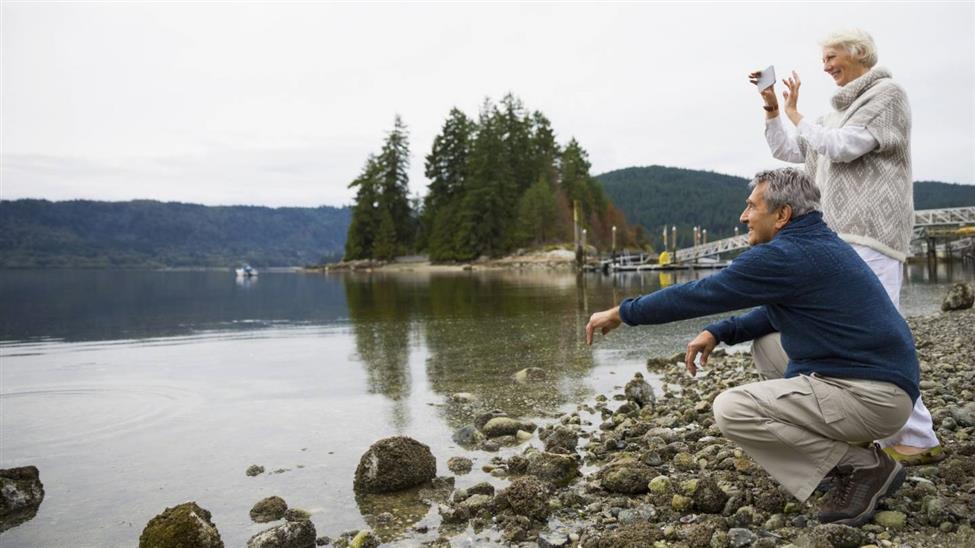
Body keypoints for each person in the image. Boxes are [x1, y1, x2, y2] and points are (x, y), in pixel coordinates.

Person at [586, 167, 918, 526]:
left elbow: (699, 295)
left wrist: (623, 312)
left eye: (751, 207)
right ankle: (834, 453)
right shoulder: (816, 244)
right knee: (767, 345)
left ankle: (864, 467)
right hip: (882, 386)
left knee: (732, 409)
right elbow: (776, 315)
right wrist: (718, 332)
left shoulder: (784, 256)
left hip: (873, 396)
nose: (743, 216)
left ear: (782, 215)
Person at [747, 28, 942, 464]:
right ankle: (889, 428)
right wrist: (774, 108)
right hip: (838, 239)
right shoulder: (835, 115)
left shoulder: (886, 96)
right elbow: (787, 148)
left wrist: (800, 117)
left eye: (832, 56)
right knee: (846, 333)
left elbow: (842, 147)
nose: (826, 66)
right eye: (824, 59)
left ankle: (916, 437)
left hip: (872, 233)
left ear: (859, 54)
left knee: (876, 337)